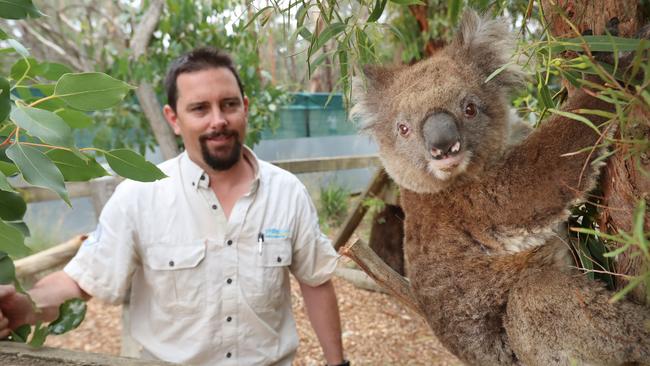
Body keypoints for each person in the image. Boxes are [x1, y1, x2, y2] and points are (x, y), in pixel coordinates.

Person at [0, 47, 348, 366]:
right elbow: (83, 279)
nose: (218, 121)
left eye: (229, 104)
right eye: (199, 108)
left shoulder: (287, 193)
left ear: (245, 106)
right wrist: (20, 309)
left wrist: (337, 364)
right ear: (173, 118)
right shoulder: (140, 195)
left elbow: (315, 280)